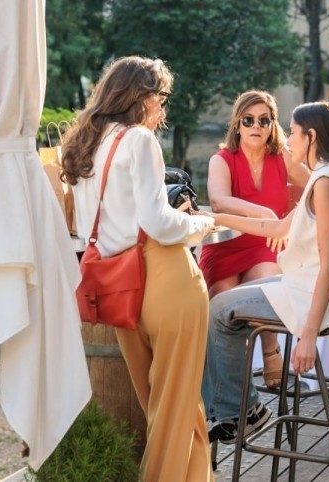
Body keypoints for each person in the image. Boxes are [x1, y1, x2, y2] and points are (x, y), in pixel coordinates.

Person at [61, 56, 217, 480]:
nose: (162, 108)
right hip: (164, 278)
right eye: (161, 97)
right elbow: (159, 224)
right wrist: (203, 223)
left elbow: (85, 226)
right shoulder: (139, 141)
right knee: (174, 411)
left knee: (173, 408)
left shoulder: (82, 144)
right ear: (141, 96)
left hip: (119, 287)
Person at [202, 103, 329, 443]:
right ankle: (231, 411)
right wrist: (216, 217)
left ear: (311, 136)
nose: (287, 141)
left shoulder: (325, 183)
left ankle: (240, 412)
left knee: (218, 310)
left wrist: (308, 335)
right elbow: (278, 227)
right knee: (225, 304)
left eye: (293, 133)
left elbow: (327, 263)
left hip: (314, 298)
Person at [199, 90, 292, 389]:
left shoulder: (283, 157)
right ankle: (233, 385)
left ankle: (270, 352)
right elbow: (218, 202)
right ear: (237, 124)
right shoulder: (221, 159)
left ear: (273, 125)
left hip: (264, 245)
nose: (256, 126)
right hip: (225, 248)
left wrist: (292, 222)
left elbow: (320, 183)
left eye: (264, 120)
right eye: (248, 119)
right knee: (224, 307)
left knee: (268, 284)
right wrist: (265, 212)